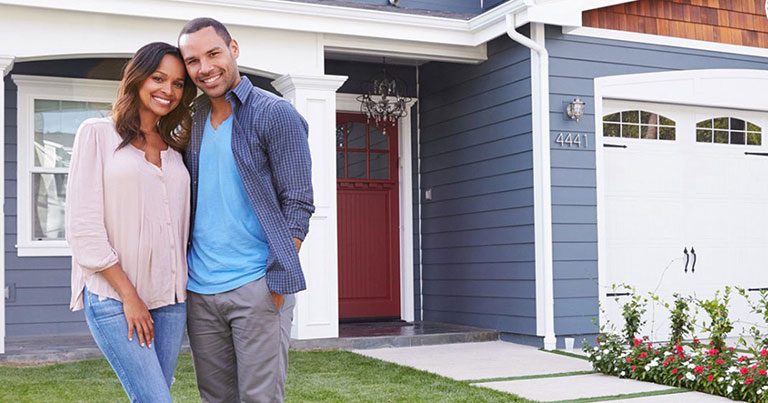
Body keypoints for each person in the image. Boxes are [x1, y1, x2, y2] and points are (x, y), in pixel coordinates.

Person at [178, 17, 314, 402]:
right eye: (192, 61)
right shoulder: (195, 118)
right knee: (215, 398)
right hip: (200, 290)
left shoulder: (275, 113)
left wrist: (275, 280)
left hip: (257, 284)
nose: (204, 68)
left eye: (213, 53)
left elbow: (299, 202)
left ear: (233, 49)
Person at [66, 42, 196, 403]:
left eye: (178, 83)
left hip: (171, 300)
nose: (167, 91)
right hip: (114, 298)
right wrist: (130, 297)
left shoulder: (178, 146)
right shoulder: (96, 133)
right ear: (137, 78)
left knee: (151, 396)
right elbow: (84, 229)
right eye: (158, 78)